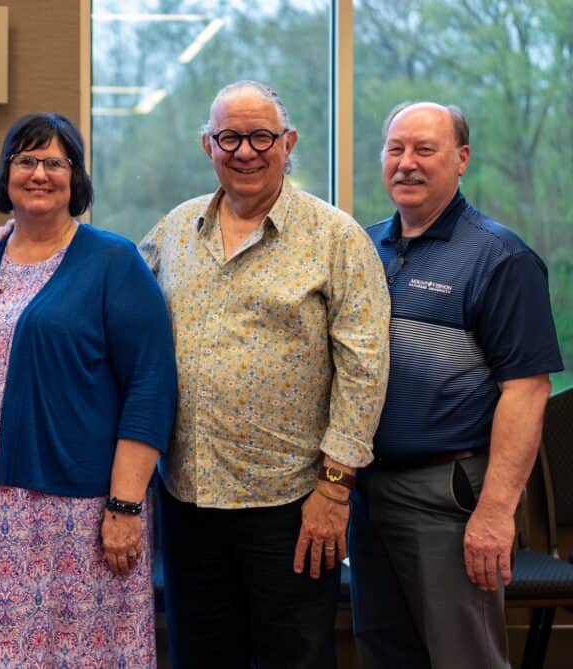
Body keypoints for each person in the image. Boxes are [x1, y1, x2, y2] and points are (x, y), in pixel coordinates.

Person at [139, 81, 391, 668]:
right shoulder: (175, 230)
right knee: (200, 656)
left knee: (294, 657)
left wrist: (334, 489)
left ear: (288, 142)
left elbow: (365, 368)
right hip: (188, 498)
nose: (245, 151)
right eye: (230, 137)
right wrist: (23, 235)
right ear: (208, 145)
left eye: (261, 137)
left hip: (292, 503)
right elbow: (108, 292)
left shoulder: (336, 237)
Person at [0, 112, 177, 668]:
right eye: (25, 160)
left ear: (76, 176)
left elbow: (150, 385)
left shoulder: (113, 261)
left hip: (77, 515)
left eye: (54, 162)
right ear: (6, 173)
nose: (39, 173)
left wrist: (125, 505)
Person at [349, 102, 563, 669]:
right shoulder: (363, 249)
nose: (407, 163)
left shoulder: (500, 257)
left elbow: (527, 391)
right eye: (396, 149)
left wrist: (495, 513)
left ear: (461, 159)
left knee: (463, 658)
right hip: (367, 494)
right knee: (383, 652)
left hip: (445, 496)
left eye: (425, 149)